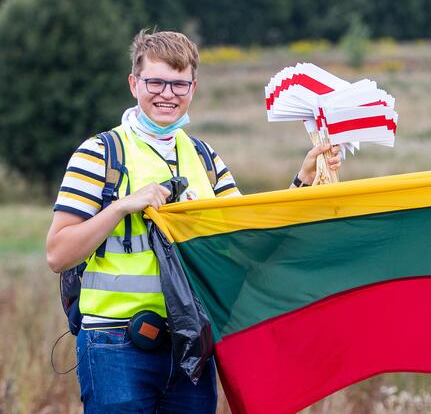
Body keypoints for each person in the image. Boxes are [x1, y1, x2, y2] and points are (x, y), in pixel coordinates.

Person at [45, 29, 340, 413]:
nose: (167, 94)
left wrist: (302, 181)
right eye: (155, 82)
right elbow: (57, 254)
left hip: (192, 346)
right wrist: (120, 207)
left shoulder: (205, 157)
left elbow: (246, 239)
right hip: (114, 345)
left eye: (179, 84)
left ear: (193, 88)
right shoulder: (99, 154)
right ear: (134, 83)